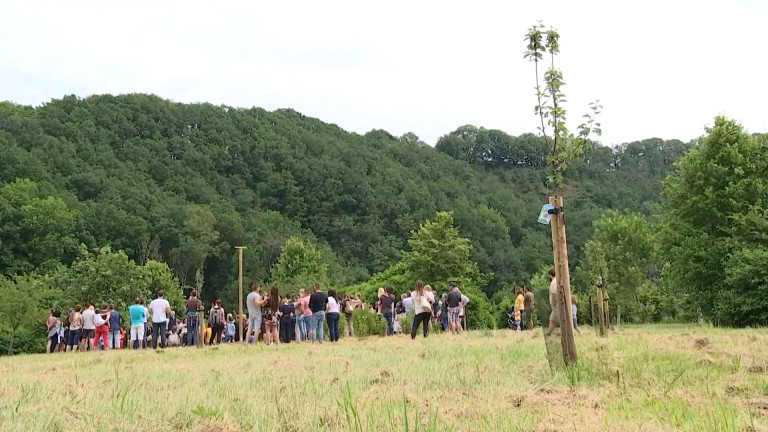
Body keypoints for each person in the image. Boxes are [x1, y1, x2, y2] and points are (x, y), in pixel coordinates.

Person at [545, 269, 559, 337]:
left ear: (550, 275)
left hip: (556, 304)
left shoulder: (553, 283)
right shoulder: (557, 281)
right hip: (557, 304)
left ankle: (549, 332)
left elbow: (554, 294)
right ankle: (549, 332)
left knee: (555, 319)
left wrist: (554, 303)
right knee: (552, 319)